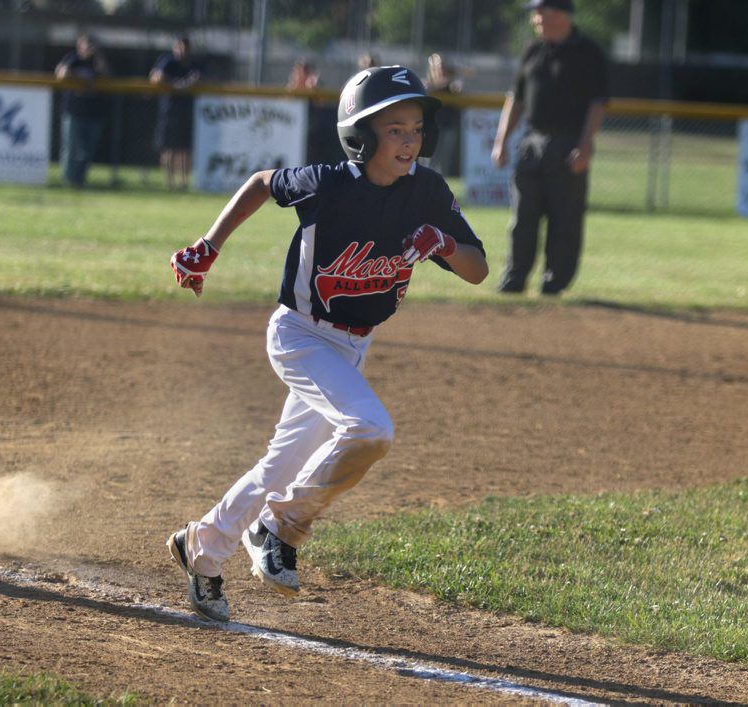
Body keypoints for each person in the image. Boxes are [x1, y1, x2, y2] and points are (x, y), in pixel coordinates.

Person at [165, 65, 488, 622]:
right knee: (370, 429)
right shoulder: (332, 183)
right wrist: (208, 245)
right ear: (361, 136)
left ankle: (203, 547)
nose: (409, 141)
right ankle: (280, 526)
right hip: (300, 335)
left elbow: (478, 268)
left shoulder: (429, 191)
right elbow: (265, 182)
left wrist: (442, 243)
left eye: (415, 129)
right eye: (394, 130)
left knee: (279, 466)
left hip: (353, 346)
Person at [491, 0, 609, 295]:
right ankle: (514, 279)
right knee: (523, 217)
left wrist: (585, 146)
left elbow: (598, 103)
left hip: (569, 143)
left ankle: (554, 282)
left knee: (564, 219)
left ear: (559, 14)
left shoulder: (588, 53)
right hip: (532, 142)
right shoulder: (533, 50)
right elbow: (516, 98)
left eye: (540, 11)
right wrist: (501, 141)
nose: (535, 18)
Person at [54, 34, 110, 187]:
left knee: (87, 150)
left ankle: (80, 180)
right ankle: (68, 180)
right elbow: (61, 74)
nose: (90, 48)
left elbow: (105, 73)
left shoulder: (97, 61)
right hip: (74, 111)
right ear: (79, 46)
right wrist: (82, 78)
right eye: (87, 44)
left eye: (93, 44)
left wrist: (98, 55)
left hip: (93, 112)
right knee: (71, 148)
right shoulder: (73, 58)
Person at [149, 35, 203, 190]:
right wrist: (179, 85)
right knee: (169, 147)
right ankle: (169, 181)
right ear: (174, 48)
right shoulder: (168, 61)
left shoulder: (194, 64)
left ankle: (184, 181)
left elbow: (205, 78)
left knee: (185, 147)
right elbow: (155, 77)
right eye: (179, 47)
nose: (182, 51)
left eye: (185, 47)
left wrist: (191, 82)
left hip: (189, 110)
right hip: (170, 110)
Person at [424, 52, 464, 177]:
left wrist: (452, 81)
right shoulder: (429, 83)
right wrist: (445, 82)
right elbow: (427, 88)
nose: (441, 69)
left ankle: (439, 190)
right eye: (438, 66)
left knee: (444, 162)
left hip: (448, 126)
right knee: (429, 160)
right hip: (431, 127)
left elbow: (459, 89)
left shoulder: (452, 84)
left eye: (443, 66)